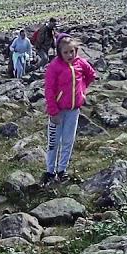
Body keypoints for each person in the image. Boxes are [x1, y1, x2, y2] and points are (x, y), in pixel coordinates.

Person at [43, 35, 96, 184]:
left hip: (73, 110)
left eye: (72, 51)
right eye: (65, 52)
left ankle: (62, 170)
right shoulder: (54, 66)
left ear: (76, 50)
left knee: (68, 141)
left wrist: (82, 91)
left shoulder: (81, 63)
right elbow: (49, 90)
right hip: (58, 111)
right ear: (59, 52)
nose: (69, 55)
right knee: (53, 142)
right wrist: (53, 111)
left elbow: (91, 75)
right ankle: (49, 171)